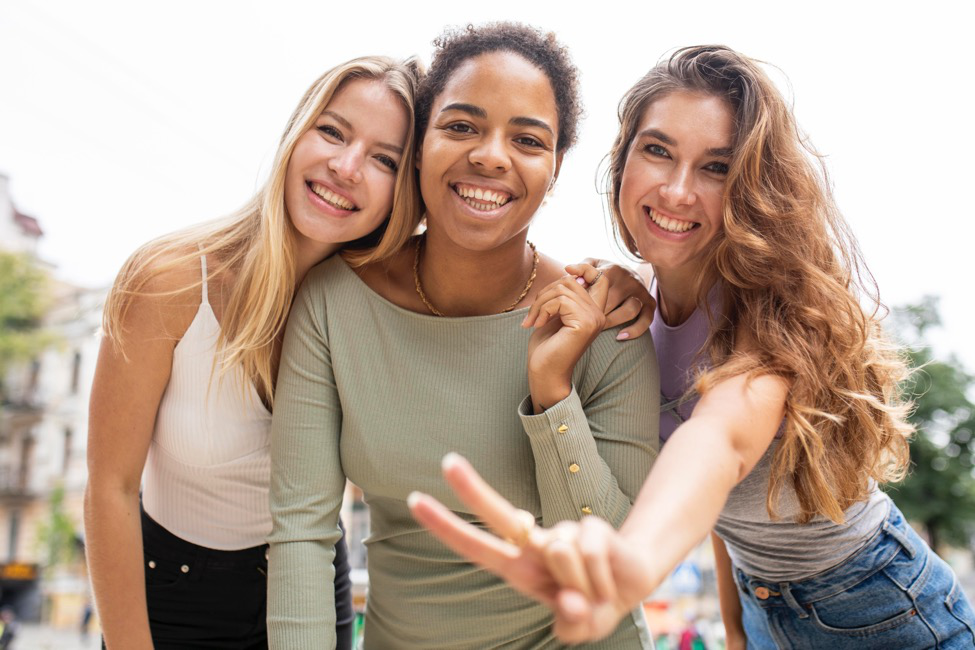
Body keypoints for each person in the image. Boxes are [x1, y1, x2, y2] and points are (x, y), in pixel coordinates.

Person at [409, 45, 975, 649]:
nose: (677, 191)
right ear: (623, 159)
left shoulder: (767, 316)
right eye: (658, 151)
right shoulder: (632, 305)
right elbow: (715, 509)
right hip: (766, 610)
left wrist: (634, 561)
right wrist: (735, 630)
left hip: (882, 603)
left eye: (716, 167)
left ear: (753, 187)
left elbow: (720, 442)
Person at [268, 22, 659, 649]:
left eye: (527, 140)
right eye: (461, 126)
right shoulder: (334, 305)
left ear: (554, 169)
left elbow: (609, 559)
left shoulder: (607, 324)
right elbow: (303, 534)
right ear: (419, 144)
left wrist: (552, 392)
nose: (491, 156)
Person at [85, 55, 423, 650]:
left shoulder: (372, 309)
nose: (346, 168)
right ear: (297, 133)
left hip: (312, 583)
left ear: (404, 191)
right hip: (170, 595)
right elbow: (109, 487)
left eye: (384, 159)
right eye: (333, 131)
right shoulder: (169, 282)